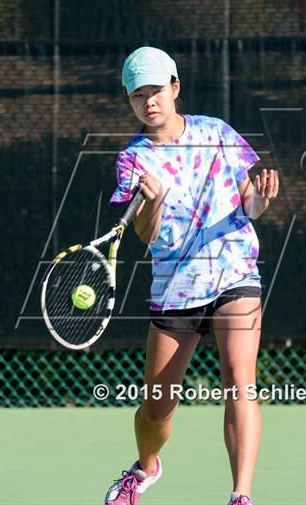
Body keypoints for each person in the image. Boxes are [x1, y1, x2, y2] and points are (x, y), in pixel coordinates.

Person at [104, 46, 279, 505]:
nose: (150, 102)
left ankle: (241, 495)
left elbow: (250, 207)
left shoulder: (216, 132)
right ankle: (144, 469)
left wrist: (260, 198)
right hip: (176, 286)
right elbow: (146, 234)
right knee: (157, 405)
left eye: (157, 91)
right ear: (130, 100)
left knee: (239, 378)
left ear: (175, 88)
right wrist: (153, 200)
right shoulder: (132, 161)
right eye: (138, 95)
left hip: (234, 272)